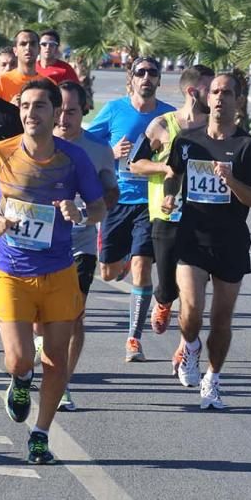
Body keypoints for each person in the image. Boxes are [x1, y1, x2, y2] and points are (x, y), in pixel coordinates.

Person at [0, 78, 106, 463]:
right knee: (19, 358)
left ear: (55, 111)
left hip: (59, 271)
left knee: (56, 360)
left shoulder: (73, 158)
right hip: (10, 270)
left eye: (40, 106)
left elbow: (98, 207)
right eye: (26, 106)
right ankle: (19, 379)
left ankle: (41, 433)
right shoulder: (0, 153)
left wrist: (80, 213)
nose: (32, 113)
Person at [162, 73, 251, 406]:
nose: (220, 97)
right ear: (207, 98)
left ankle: (213, 377)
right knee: (191, 308)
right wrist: (168, 195)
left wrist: (232, 180)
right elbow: (172, 176)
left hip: (231, 241)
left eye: (228, 92)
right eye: (216, 91)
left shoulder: (247, 147)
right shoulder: (188, 140)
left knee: (222, 319)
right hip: (192, 237)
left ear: (238, 101)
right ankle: (190, 346)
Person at [85, 56, 175, 362]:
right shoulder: (113, 111)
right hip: (115, 199)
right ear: (131, 79)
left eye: (153, 72)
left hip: (150, 202)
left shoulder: (168, 116)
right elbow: (87, 147)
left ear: (159, 80)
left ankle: (133, 339)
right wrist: (111, 152)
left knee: (142, 267)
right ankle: (120, 261)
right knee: (109, 273)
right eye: (141, 72)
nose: (147, 77)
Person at [129, 66, 213, 344]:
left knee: (193, 291)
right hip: (166, 215)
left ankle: (185, 346)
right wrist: (165, 167)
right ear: (192, 92)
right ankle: (163, 300)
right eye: (209, 90)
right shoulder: (163, 125)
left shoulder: (216, 127)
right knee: (167, 284)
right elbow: (135, 164)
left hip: (203, 218)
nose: (214, 96)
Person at [52, 81, 118, 409]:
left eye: (72, 112)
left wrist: (93, 208)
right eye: (59, 111)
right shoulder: (35, 145)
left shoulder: (98, 149)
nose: (64, 119)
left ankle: (62, 383)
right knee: (44, 320)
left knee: (74, 316)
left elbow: (110, 193)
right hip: (39, 245)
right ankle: (42, 343)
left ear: (84, 111)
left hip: (81, 243)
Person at [0, 29, 41, 105]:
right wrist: (10, 107)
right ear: (15, 51)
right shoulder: (0, 82)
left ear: (39, 49)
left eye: (33, 44)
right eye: (23, 44)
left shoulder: (49, 83)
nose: (28, 48)